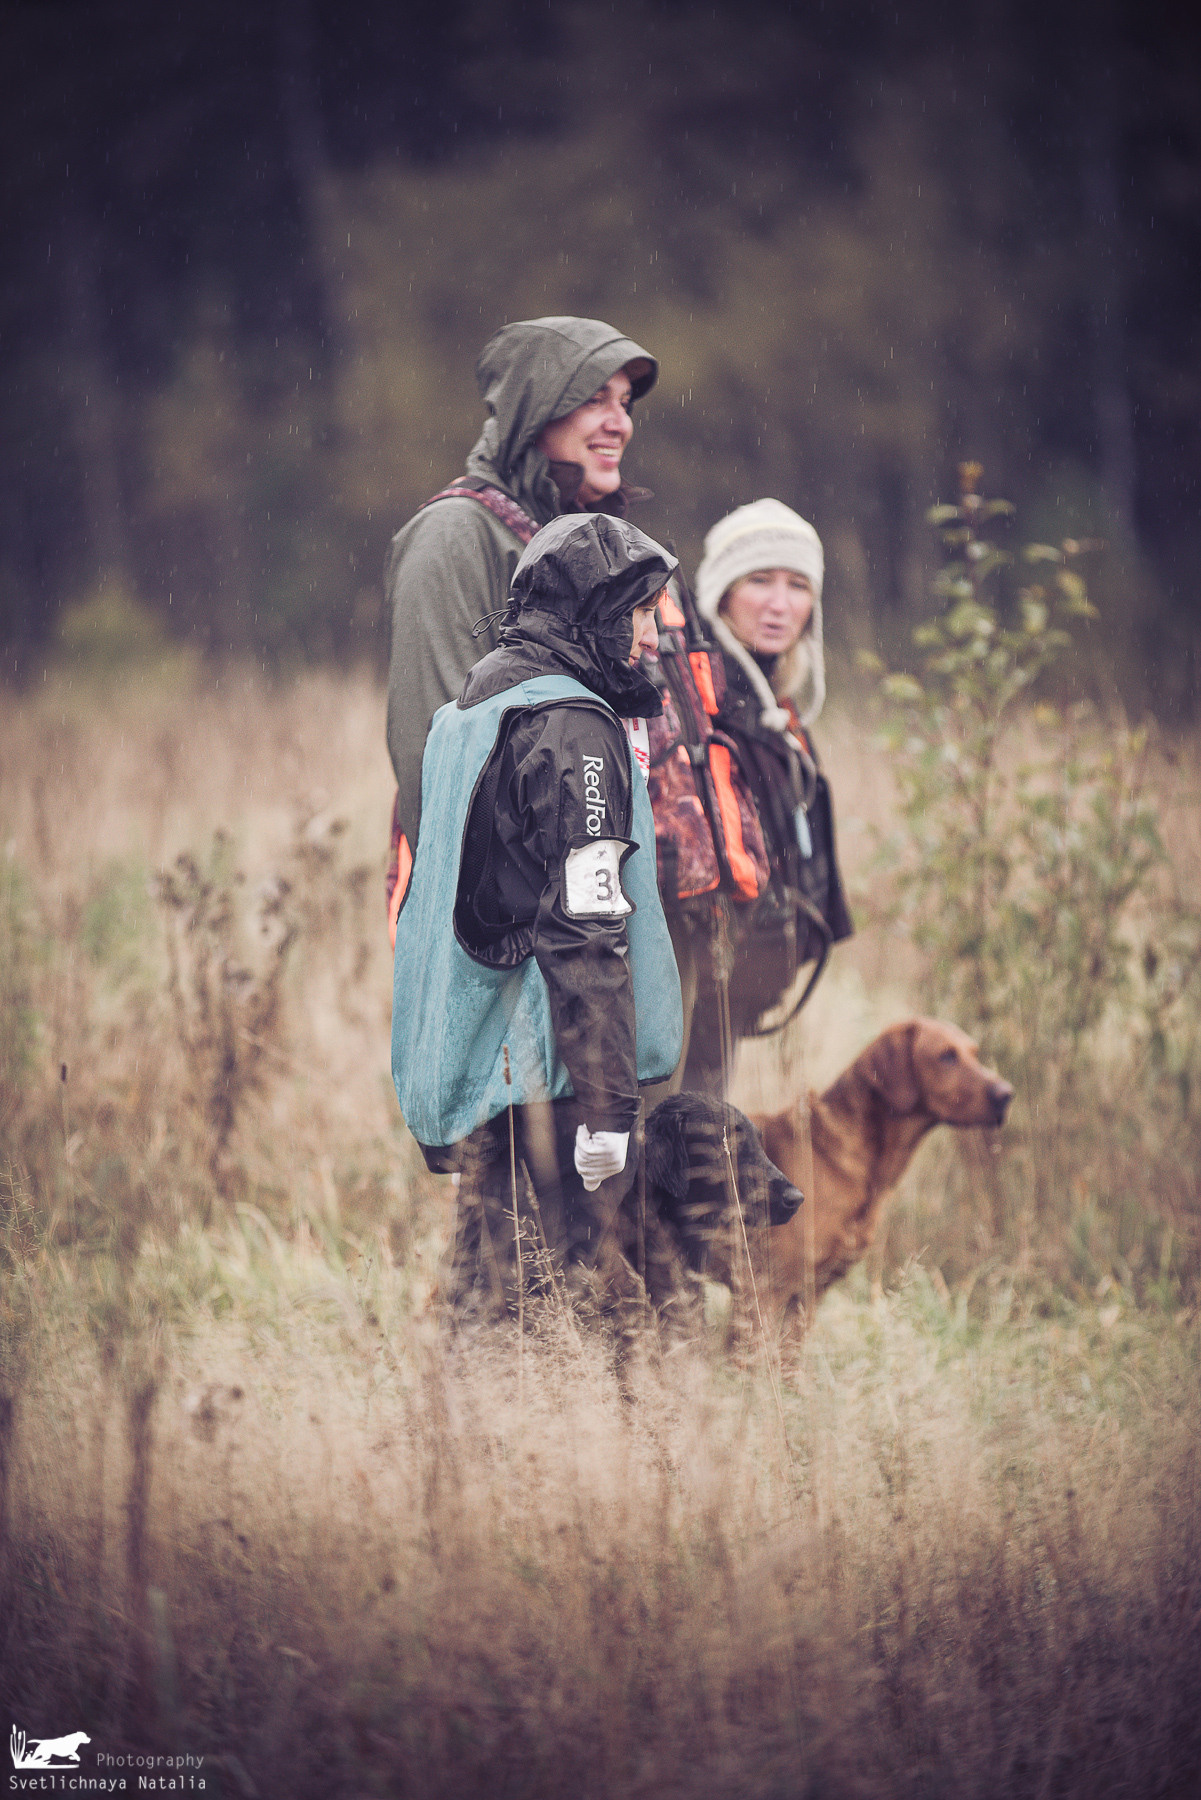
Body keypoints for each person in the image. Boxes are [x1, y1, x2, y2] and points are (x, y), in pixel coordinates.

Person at [391, 512, 684, 1319]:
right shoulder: (570, 726)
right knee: (545, 1302)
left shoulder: (472, 708)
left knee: (489, 1283)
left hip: (479, 1058)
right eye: (637, 610)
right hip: (545, 1069)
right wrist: (608, 1108)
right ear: (593, 611)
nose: (651, 632)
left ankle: (461, 1397)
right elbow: (587, 928)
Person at [384, 316, 658, 933]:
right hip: (503, 923)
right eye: (595, 398)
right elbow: (440, 756)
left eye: (624, 402)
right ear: (534, 410)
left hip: (581, 913)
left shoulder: (577, 543)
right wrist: (510, 935)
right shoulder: (455, 535)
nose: (620, 423)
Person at [681, 498, 853, 1094]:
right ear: (721, 592)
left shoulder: (773, 709)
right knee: (685, 1127)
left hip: (735, 987)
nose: (780, 604)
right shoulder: (695, 700)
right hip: (693, 983)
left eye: (798, 585)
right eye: (759, 580)